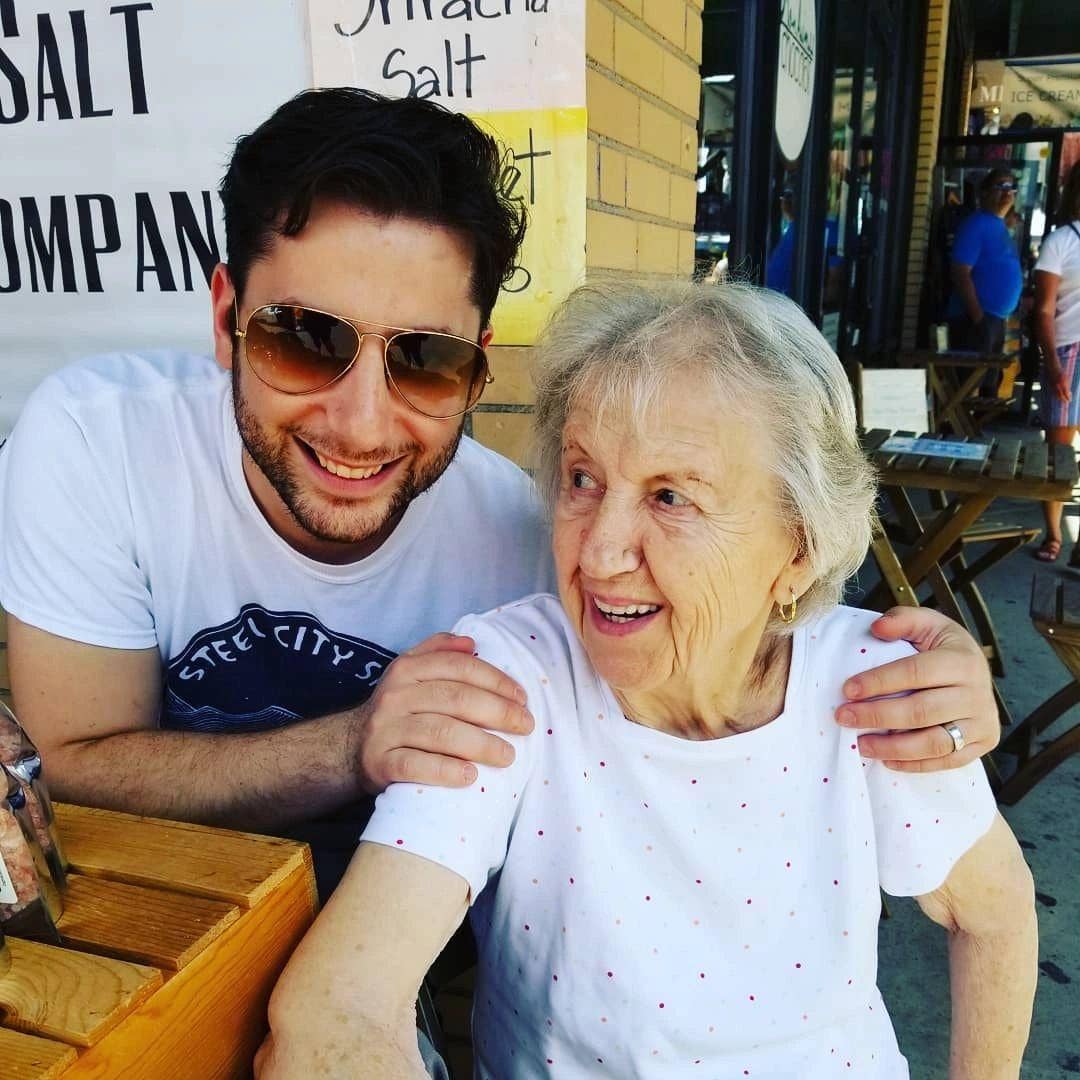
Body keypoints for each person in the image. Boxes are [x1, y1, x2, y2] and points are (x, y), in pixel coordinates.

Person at [0, 89, 998, 902]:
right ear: (226, 317)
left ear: (478, 367)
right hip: (135, 928)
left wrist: (908, 684)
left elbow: (723, 644)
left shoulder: (534, 538)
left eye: (425, 359)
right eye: (303, 339)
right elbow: (71, 768)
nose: (362, 422)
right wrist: (354, 746)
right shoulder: (99, 442)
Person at [258, 281, 1036, 1079]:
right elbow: (333, 1012)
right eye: (582, 479)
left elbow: (995, 914)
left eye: (670, 497)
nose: (599, 554)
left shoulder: (872, 694)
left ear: (798, 549)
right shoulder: (509, 683)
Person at [1033, 162, 1080, 562]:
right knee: (1058, 452)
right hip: (1067, 351)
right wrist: (1052, 364)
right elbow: (1044, 310)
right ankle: (1053, 534)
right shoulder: (1061, 241)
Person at [947, 167, 1024, 361]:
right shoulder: (976, 224)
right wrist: (978, 318)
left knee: (990, 378)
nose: (1007, 192)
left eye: (1011, 187)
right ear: (984, 192)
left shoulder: (1000, 226)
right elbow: (960, 273)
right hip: (973, 319)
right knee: (972, 377)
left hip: (995, 321)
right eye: (1001, 186)